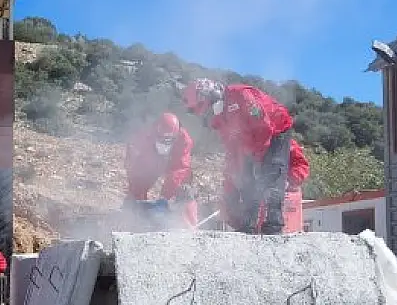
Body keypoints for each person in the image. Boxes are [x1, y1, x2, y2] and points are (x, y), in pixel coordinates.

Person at [183, 78, 294, 234]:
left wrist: (258, 160)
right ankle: (248, 224)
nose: (207, 113)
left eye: (205, 106)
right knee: (245, 179)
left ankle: (273, 225)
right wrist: (231, 184)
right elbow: (232, 152)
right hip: (251, 141)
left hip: (276, 131)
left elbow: (264, 128)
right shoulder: (219, 119)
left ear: (212, 93)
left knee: (272, 171)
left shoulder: (241, 95)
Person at [124, 111, 198, 228]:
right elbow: (134, 164)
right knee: (136, 190)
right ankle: (133, 223)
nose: (165, 142)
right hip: (151, 161)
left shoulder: (185, 140)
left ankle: (190, 226)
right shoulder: (145, 135)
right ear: (156, 132)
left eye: (170, 140)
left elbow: (180, 168)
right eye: (162, 139)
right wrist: (138, 199)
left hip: (173, 162)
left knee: (185, 190)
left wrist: (165, 198)